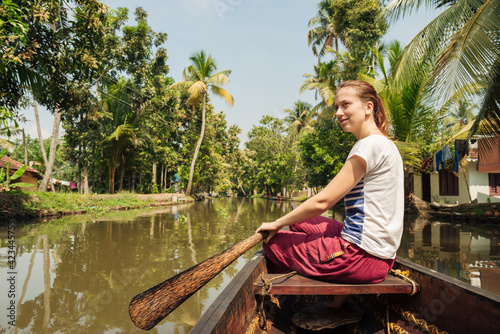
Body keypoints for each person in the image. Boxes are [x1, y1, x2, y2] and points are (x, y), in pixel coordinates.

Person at [256, 80, 404, 308]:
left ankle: (288, 300)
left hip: (359, 258)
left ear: (368, 107)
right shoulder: (386, 145)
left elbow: (323, 201)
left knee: (273, 243)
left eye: (345, 105)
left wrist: (276, 223)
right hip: (382, 257)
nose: (338, 112)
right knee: (302, 224)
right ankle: (334, 288)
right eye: (336, 107)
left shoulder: (367, 146)